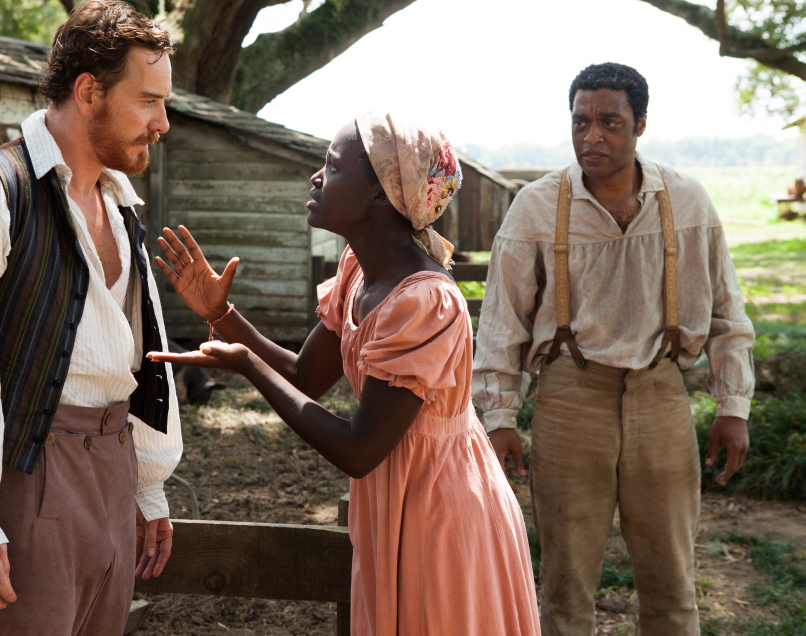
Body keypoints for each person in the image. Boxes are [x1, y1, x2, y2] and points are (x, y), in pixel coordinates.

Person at [149, 113, 541, 635]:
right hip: (399, 496)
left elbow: (359, 450)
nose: (316, 178)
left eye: (331, 168)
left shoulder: (425, 301)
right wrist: (222, 314)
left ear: (382, 194)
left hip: (441, 509)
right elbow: (305, 377)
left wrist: (246, 365)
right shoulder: (360, 272)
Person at [0, 0, 182, 634]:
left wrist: (146, 485)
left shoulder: (121, 206)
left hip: (115, 469)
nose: (163, 122)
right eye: (148, 100)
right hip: (33, 474)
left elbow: (135, 355)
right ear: (88, 91)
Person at [472, 62, 755, 636]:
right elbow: (502, 322)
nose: (591, 136)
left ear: (640, 124)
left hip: (661, 398)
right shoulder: (536, 207)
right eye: (580, 122)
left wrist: (733, 405)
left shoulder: (687, 202)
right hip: (570, 402)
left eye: (609, 122)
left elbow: (727, 310)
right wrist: (499, 416)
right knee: (566, 586)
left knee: (672, 582)